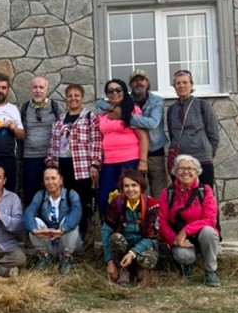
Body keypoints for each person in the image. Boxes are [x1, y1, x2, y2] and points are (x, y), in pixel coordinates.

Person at [98, 70, 169, 199]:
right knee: (134, 192)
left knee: (158, 190)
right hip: (131, 154)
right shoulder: (126, 101)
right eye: (135, 80)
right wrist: (114, 108)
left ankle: (158, 212)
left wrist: (124, 115)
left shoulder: (156, 101)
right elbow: (100, 103)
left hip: (154, 149)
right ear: (130, 85)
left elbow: (153, 123)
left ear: (147, 82)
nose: (138, 83)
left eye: (141, 79)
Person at [46, 84, 101, 234]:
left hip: (82, 167)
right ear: (66, 98)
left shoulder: (89, 117)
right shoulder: (60, 119)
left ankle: (82, 235)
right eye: (70, 96)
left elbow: (96, 140)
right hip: (62, 166)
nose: (73, 98)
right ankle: (67, 234)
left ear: (82, 98)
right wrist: (50, 161)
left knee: (82, 201)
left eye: (76, 95)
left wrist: (95, 164)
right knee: (65, 200)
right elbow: (53, 142)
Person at [159, 154, 220, 287]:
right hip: (180, 239)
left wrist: (186, 231)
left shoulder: (205, 191)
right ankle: (187, 264)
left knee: (209, 232)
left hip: (201, 236)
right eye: (181, 168)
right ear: (175, 172)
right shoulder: (167, 193)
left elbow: (210, 219)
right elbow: (162, 223)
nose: (185, 172)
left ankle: (211, 271)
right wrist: (176, 239)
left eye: (190, 168)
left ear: (197, 172)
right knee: (183, 256)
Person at [97, 79, 149, 214]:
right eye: (111, 91)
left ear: (124, 92)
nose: (115, 93)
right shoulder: (103, 115)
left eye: (118, 90)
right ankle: (110, 225)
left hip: (129, 159)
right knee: (103, 198)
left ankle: (130, 224)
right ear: (107, 94)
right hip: (108, 162)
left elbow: (143, 137)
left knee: (129, 195)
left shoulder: (132, 111)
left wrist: (143, 161)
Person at [102, 169, 159, 288]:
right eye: (126, 186)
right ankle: (124, 268)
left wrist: (132, 253)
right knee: (115, 238)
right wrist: (109, 261)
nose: (130, 189)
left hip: (143, 246)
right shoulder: (117, 203)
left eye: (134, 185)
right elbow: (106, 230)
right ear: (122, 188)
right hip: (125, 245)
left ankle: (141, 269)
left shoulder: (151, 204)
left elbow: (152, 237)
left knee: (149, 258)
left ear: (141, 186)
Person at [23, 164, 82, 274]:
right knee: (35, 222)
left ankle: (67, 258)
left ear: (61, 180)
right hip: (49, 242)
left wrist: (62, 230)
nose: (50, 182)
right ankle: (45, 256)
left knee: (70, 222)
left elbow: (76, 212)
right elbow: (29, 212)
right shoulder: (40, 195)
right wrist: (34, 230)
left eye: (53, 178)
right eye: (47, 179)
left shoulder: (71, 194)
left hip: (68, 242)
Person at [167, 70, 219, 188]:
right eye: (178, 83)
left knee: (204, 192)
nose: (181, 86)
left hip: (202, 159)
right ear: (174, 87)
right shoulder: (171, 110)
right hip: (180, 160)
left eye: (185, 82)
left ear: (191, 85)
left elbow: (213, 134)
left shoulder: (202, 105)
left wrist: (208, 153)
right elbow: (172, 135)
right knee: (181, 193)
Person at [19, 76, 63, 206]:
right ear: (30, 89)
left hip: (50, 157)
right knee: (30, 193)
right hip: (30, 157)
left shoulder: (56, 107)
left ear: (47, 90)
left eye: (41, 87)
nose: (38, 90)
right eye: (35, 87)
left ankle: (52, 217)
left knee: (52, 191)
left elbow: (63, 131)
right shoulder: (24, 108)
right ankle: (33, 218)